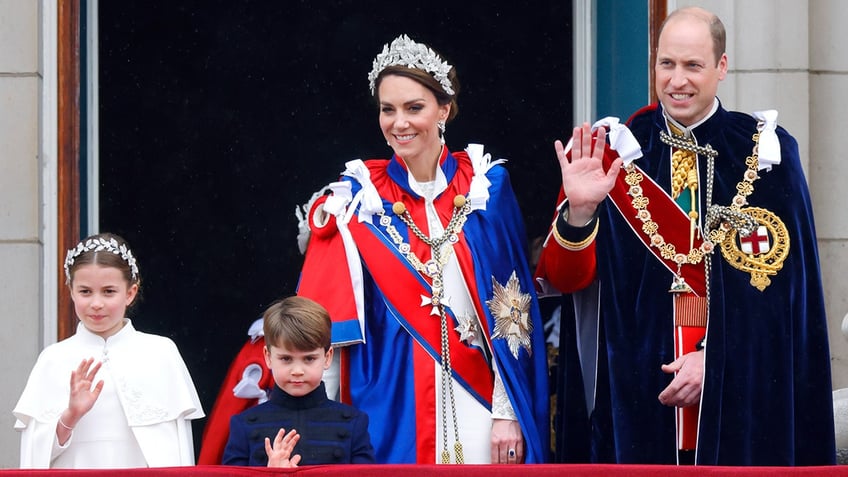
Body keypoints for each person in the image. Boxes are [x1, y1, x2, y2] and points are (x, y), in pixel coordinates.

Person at [535, 6, 836, 466]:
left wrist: (714, 357)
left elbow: (785, 299)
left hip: (740, 396)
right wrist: (580, 212)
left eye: (693, 65)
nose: (677, 80)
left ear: (721, 67)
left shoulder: (768, 153)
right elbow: (565, 281)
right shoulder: (611, 150)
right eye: (667, 64)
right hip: (638, 396)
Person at [295, 34, 550, 464]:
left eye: (414, 108)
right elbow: (327, 322)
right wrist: (322, 424)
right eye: (387, 109)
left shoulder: (486, 187)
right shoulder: (358, 199)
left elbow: (514, 309)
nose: (399, 123)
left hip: (478, 398)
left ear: (444, 109)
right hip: (388, 396)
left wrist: (507, 414)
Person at [12, 233, 204, 468]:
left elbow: (177, 449)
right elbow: (34, 458)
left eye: (108, 291)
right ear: (71, 291)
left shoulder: (161, 352)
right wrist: (70, 416)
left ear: (130, 293)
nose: (96, 303)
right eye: (85, 292)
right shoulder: (52, 359)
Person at [222, 296, 375, 466]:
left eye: (309, 359)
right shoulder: (243, 425)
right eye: (286, 359)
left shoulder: (354, 423)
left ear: (327, 357)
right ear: (268, 357)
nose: (297, 371)